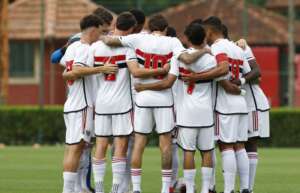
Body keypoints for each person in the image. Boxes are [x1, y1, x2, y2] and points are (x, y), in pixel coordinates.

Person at [100, 14, 209, 193]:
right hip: (164, 98)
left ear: (150, 28)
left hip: (143, 99)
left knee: (139, 143)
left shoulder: (138, 38)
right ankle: (165, 188)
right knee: (165, 145)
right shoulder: (172, 42)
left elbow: (110, 41)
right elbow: (188, 60)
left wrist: (102, 36)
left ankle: (136, 188)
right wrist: (204, 50)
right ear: (165, 29)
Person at [134, 23, 215, 193]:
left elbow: (168, 82)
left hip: (185, 113)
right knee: (207, 151)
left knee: (188, 152)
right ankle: (206, 189)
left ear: (186, 38)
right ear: (205, 38)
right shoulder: (211, 58)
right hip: (206, 112)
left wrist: (144, 87)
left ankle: (190, 189)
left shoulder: (178, 59)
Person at [181, 16, 251, 193]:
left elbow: (222, 69)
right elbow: (247, 73)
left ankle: (228, 190)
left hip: (225, 104)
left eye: (206, 33)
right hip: (241, 103)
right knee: (240, 146)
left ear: (210, 32)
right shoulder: (238, 49)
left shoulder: (218, 47)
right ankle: (245, 188)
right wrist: (239, 85)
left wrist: (196, 77)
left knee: (226, 146)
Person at [60, 14, 118, 193]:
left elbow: (65, 71)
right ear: (93, 29)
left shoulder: (72, 47)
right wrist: (102, 68)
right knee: (77, 149)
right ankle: (69, 190)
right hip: (82, 106)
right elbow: (75, 71)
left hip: (71, 104)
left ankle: (78, 188)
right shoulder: (84, 48)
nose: (101, 36)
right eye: (100, 32)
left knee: (76, 149)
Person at [235, 39, 270, 193]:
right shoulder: (218, 50)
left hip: (253, 105)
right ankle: (241, 187)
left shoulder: (242, 47)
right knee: (233, 145)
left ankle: (248, 189)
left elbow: (257, 73)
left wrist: (242, 79)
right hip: (237, 105)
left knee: (251, 143)